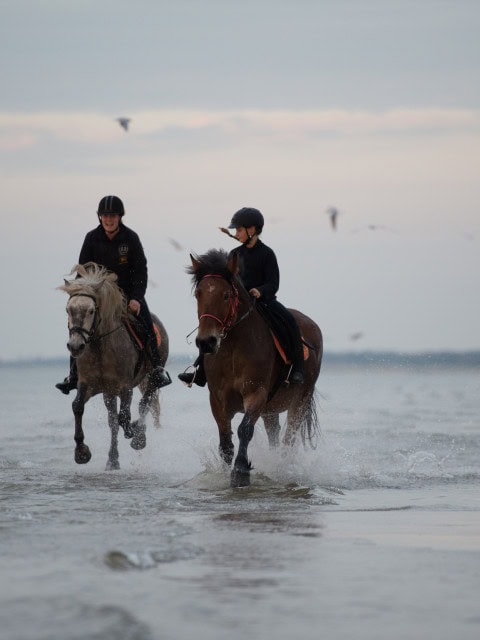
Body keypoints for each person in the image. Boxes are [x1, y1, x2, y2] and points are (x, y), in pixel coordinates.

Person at [56, 195, 171, 394]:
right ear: (100, 217)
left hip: (127, 295)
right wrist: (78, 293)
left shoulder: (131, 238)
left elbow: (140, 270)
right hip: (99, 297)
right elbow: (82, 270)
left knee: (147, 325)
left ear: (120, 217)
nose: (109, 220)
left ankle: (156, 370)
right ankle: (73, 375)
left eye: (113, 216)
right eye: (105, 216)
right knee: (77, 326)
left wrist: (136, 298)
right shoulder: (91, 238)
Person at [178, 206, 305, 387]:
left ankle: (298, 368)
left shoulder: (267, 254)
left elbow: (273, 283)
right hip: (239, 303)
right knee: (211, 325)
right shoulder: (234, 255)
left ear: (251, 230)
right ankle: (200, 372)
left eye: (238, 229)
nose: (236, 233)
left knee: (290, 321)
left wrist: (260, 291)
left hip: (264, 302)